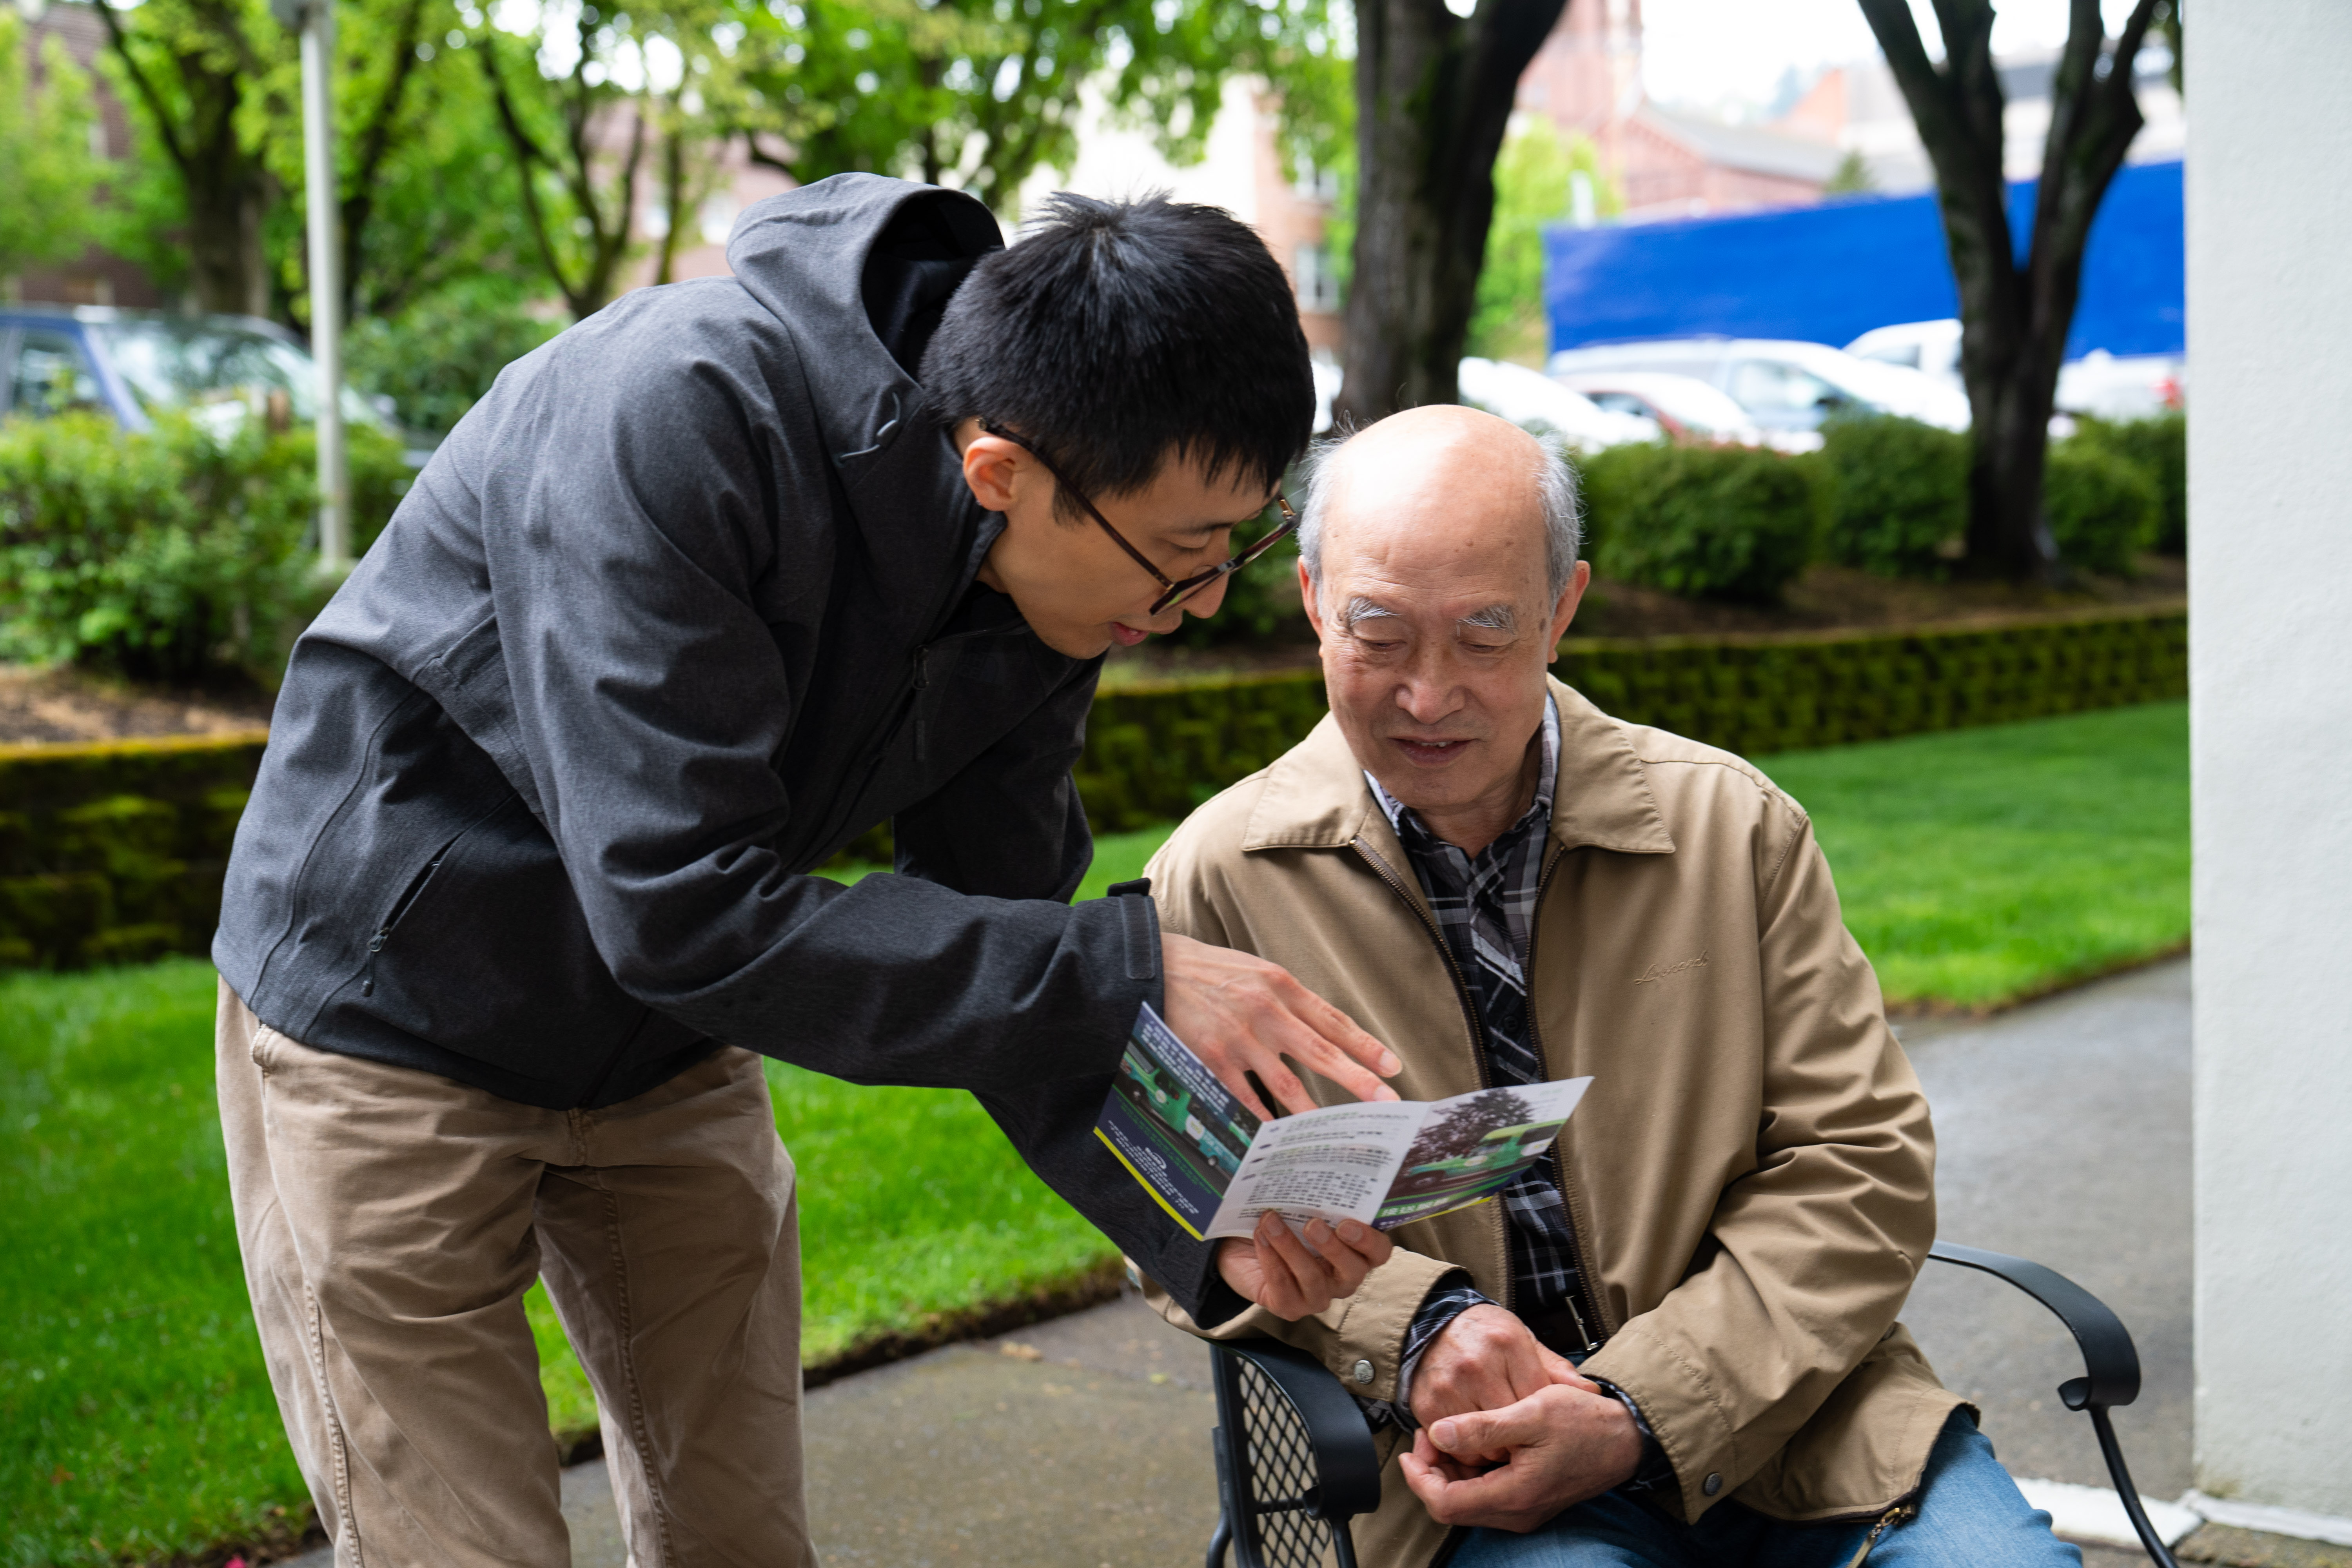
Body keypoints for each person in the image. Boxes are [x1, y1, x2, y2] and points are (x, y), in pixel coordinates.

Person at [210, 176, 1396, 1568]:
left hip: (669, 1042)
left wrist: (1207, 1224)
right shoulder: (674, 413)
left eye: (1236, 544)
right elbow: (679, 902)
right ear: (1004, 472)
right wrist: (1132, 965)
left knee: (743, 1541)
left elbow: (1003, 953)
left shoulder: (1052, 588)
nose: (1200, 605)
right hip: (390, 1020)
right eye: (1185, 554)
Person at [1140, 405, 2081, 1567]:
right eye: (1377, 632)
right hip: (1460, 1468)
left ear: (1564, 609)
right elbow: (1182, 1209)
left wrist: (1641, 1411)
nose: (1429, 695)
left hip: (1789, 1423)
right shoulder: (1216, 879)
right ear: (1311, 602)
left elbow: (1864, 1165)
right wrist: (1420, 1326)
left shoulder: (1731, 828)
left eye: (1487, 634)